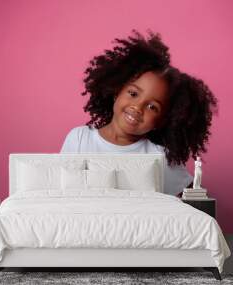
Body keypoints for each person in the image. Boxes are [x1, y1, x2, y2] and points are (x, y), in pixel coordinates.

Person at [60, 30, 218, 196]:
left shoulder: (159, 157)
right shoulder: (80, 139)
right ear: (117, 91)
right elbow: (61, 190)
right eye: (133, 94)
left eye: (152, 107)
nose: (138, 107)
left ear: (161, 121)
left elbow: (193, 201)